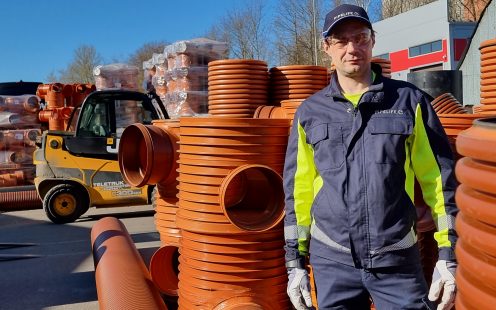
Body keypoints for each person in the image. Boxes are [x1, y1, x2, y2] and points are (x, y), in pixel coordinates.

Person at [283, 4, 458, 310]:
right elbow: (298, 192)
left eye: (361, 37)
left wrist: (449, 252)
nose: (352, 48)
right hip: (332, 261)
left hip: (397, 259)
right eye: (341, 40)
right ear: (327, 48)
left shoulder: (408, 102)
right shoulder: (309, 113)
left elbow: (439, 181)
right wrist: (294, 261)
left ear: (373, 40)